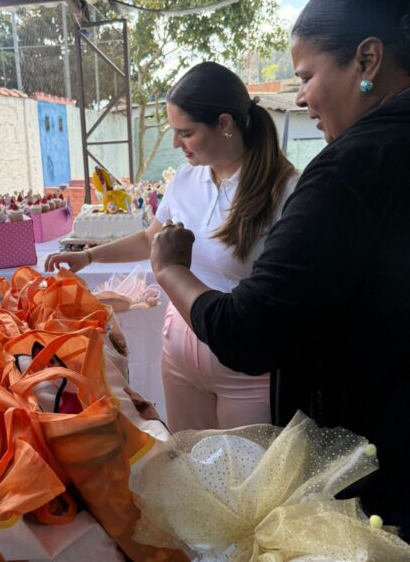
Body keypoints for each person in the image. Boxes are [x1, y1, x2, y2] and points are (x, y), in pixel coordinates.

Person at [150, 0, 410, 537]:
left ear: (367, 60)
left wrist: (168, 270)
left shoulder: (343, 171)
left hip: (373, 460)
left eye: (307, 76)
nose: (301, 97)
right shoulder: (190, 180)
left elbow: (250, 331)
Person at [45, 61, 298, 432]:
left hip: (244, 365)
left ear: (224, 124)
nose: (176, 144)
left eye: (186, 133)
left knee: (246, 465)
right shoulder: (186, 178)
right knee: (187, 456)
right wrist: (88, 256)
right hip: (180, 348)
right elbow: (151, 238)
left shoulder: (286, 190)